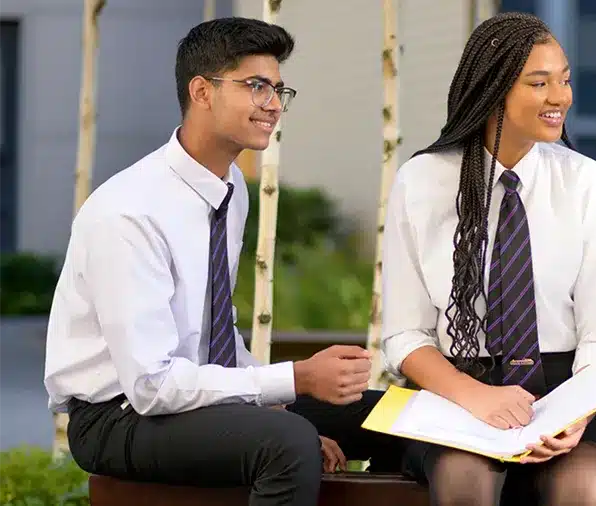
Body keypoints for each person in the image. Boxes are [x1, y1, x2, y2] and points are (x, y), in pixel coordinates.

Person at [43, 17, 402, 506]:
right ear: (202, 92)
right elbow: (151, 385)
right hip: (119, 414)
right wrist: (294, 380)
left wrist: (271, 402)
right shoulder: (128, 212)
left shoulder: (231, 192)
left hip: (192, 401)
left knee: (389, 417)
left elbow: (215, 333)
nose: (274, 104)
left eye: (279, 89)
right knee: (290, 443)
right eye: (257, 86)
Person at [378, 11, 596, 506]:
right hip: (458, 388)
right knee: (464, 480)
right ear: (494, 89)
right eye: (538, 83)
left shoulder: (584, 182)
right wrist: (475, 395)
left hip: (570, 387)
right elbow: (404, 334)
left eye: (563, 80)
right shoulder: (422, 181)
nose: (560, 97)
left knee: (581, 485)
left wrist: (575, 414)